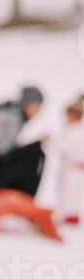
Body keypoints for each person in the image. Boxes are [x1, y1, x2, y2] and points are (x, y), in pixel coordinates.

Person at [53, 96, 84, 225]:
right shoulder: (76, 130)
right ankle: (68, 215)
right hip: (72, 167)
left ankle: (70, 217)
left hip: (73, 168)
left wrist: (53, 141)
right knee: (68, 193)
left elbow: (65, 148)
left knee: (70, 193)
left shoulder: (74, 130)